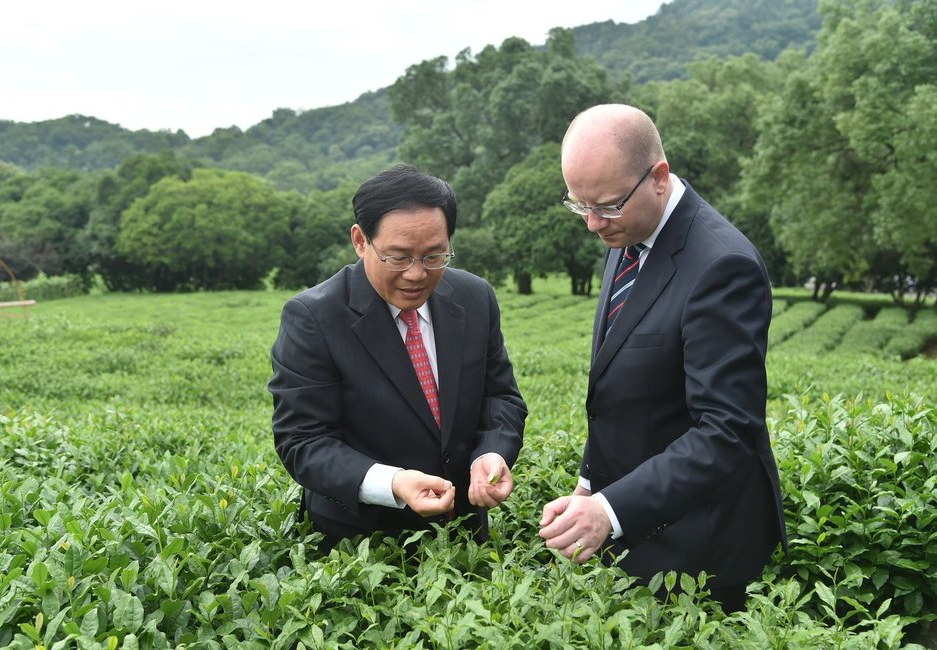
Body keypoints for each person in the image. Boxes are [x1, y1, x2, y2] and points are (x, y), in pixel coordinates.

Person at [538, 104, 787, 613]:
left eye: (605, 206)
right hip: (640, 523)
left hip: (701, 543)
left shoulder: (722, 266)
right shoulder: (627, 230)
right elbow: (624, 385)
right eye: (578, 205)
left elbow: (727, 430)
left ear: (658, 177)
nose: (591, 224)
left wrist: (611, 508)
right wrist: (590, 487)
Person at [269, 164, 527, 550]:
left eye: (435, 256)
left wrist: (491, 453)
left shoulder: (475, 298)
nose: (417, 274)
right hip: (358, 543)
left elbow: (501, 397)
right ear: (360, 241)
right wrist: (392, 483)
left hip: (464, 534)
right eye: (398, 257)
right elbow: (302, 441)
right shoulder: (314, 317)